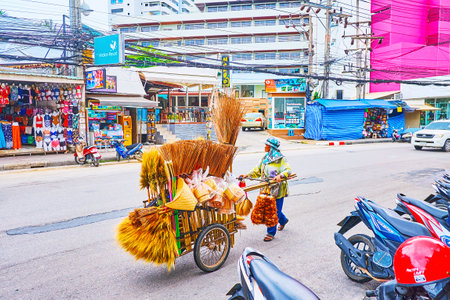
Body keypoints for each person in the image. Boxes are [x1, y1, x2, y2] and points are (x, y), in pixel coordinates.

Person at [241, 137, 293, 242]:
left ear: (271, 147)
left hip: (278, 188)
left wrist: (281, 175)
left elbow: (288, 170)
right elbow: (257, 170)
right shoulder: (265, 158)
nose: (264, 146)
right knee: (272, 208)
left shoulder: (280, 159)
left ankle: (271, 232)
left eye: (266, 145)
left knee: (274, 211)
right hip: (266, 187)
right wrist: (247, 175)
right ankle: (283, 220)